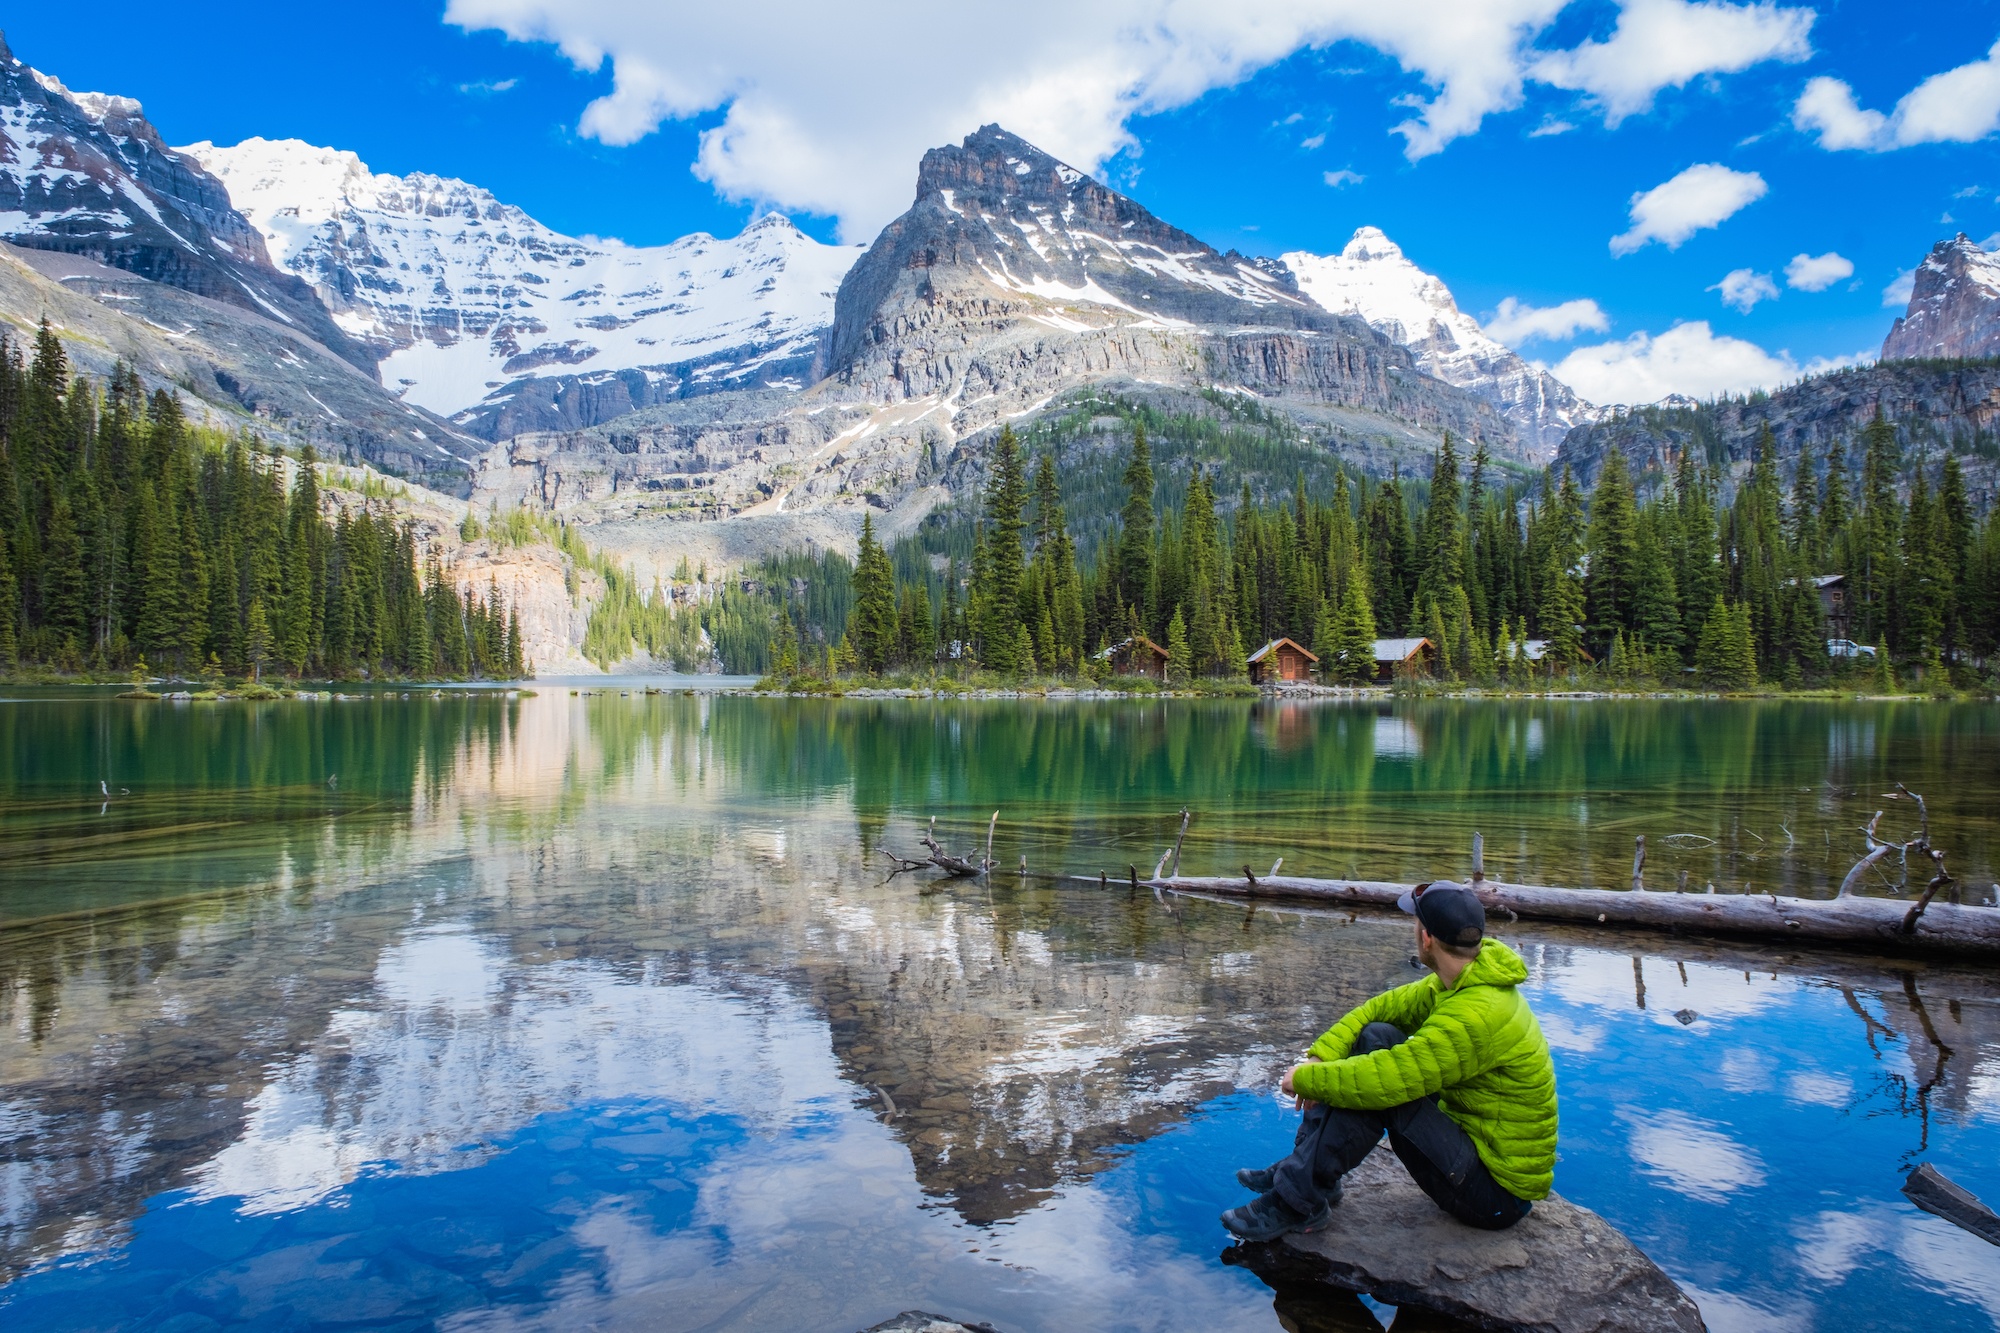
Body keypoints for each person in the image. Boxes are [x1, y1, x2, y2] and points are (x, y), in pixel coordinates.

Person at [1221, 880, 1558, 1241]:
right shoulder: (1465, 978)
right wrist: (1321, 1055)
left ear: (1426, 938)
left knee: (1380, 1086)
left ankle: (1298, 1201)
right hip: (1472, 1148)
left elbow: (1385, 1080)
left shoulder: (1475, 1015)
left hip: (1494, 1197)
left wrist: (1303, 1081)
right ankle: (1307, 1174)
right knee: (1377, 1036)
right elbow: (1377, 1010)